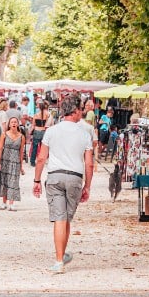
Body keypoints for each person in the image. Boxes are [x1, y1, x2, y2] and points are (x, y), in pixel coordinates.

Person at [33, 94, 94, 274]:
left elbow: (41, 158)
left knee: (59, 218)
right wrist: (87, 186)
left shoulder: (51, 131)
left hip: (55, 176)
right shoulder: (84, 134)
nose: (82, 113)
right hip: (75, 177)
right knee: (66, 219)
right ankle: (62, 255)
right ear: (74, 111)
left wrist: (36, 180)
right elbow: (89, 164)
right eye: (80, 109)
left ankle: (59, 260)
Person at [0, 116, 25, 211]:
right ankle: (4, 202)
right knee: (4, 180)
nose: (14, 123)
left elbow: (21, 152)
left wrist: (21, 166)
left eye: (15, 122)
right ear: (9, 124)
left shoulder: (21, 136)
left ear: (18, 124)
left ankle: (11, 203)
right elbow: (0, 148)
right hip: (5, 160)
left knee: (13, 181)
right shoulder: (4, 134)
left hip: (15, 161)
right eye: (12, 122)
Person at [29, 100, 53, 166]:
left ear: (39, 107)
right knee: (43, 148)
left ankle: (32, 162)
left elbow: (33, 125)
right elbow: (49, 124)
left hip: (37, 131)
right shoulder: (47, 114)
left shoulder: (36, 115)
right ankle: (42, 161)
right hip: (44, 132)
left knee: (35, 147)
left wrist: (30, 131)